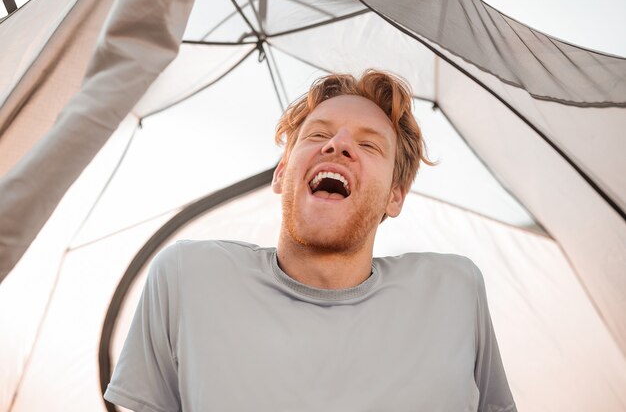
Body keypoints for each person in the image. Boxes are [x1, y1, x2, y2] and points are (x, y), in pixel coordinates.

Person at [104, 70, 517, 411]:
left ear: (395, 196)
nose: (338, 145)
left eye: (369, 144)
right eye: (318, 136)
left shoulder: (454, 290)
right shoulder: (186, 278)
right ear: (283, 173)